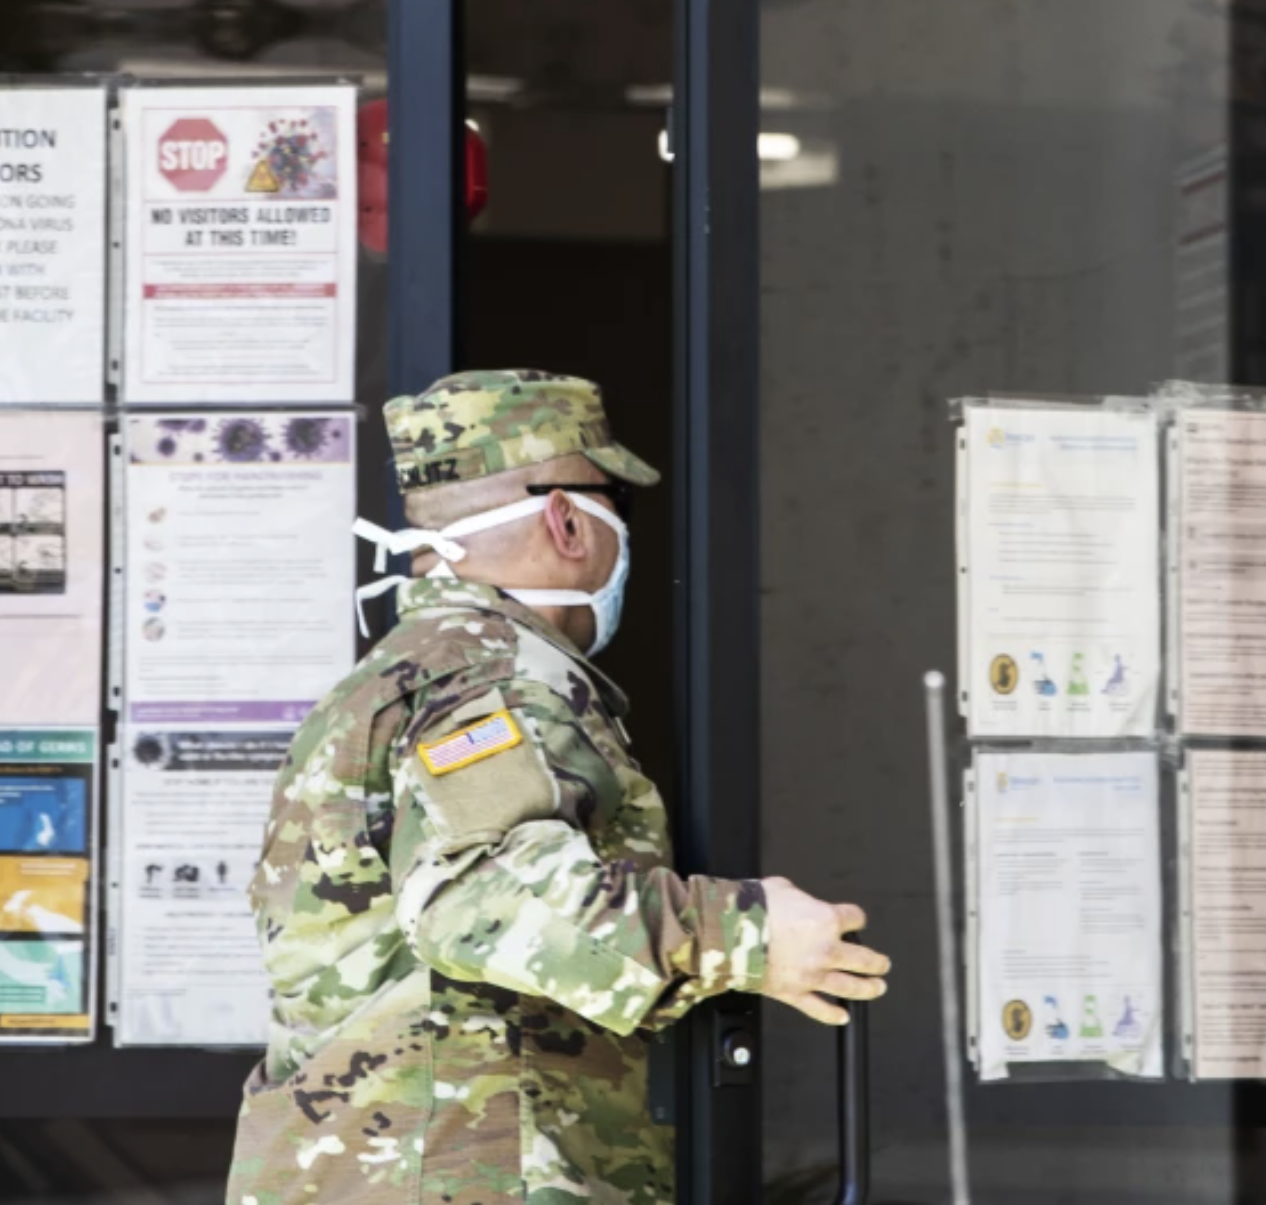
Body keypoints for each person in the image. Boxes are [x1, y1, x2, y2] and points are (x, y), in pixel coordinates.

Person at [227, 370, 890, 1205]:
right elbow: (485, 898)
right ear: (568, 519)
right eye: (619, 504)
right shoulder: (489, 679)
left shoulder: (403, 675)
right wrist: (750, 935)